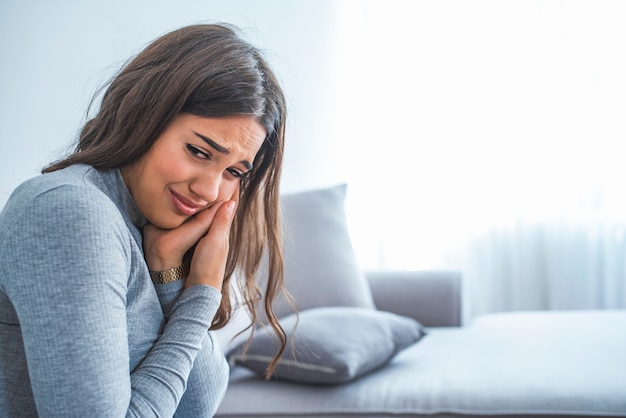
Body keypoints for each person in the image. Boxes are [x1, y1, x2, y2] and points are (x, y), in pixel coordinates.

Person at [0, 23, 287, 417]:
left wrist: (169, 275)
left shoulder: (143, 228)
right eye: (199, 152)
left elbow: (196, 405)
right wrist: (202, 294)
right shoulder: (69, 213)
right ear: (144, 114)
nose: (208, 189)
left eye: (234, 172)